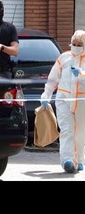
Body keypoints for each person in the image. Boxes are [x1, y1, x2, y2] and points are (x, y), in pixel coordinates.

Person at [40, 29, 85, 173]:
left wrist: (81, 74)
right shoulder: (64, 58)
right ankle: (67, 160)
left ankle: (79, 159)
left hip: (81, 101)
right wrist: (46, 95)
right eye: (74, 43)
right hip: (63, 99)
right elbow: (53, 78)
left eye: (79, 44)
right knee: (66, 130)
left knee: (80, 133)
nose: (76, 46)